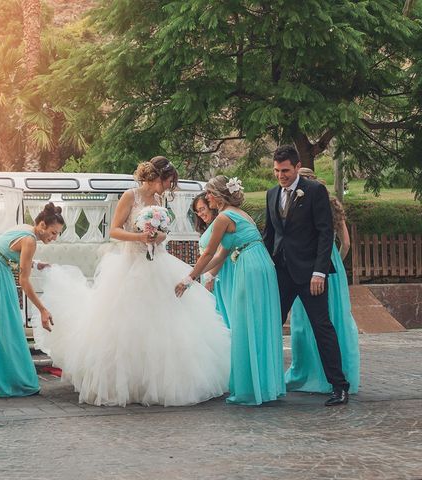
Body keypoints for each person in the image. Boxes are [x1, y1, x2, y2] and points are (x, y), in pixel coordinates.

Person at [33, 156, 231, 407]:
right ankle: (128, 384)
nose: (169, 187)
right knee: (126, 326)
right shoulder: (131, 196)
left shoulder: (160, 200)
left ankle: (159, 383)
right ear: (157, 177)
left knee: (166, 324)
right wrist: (139, 237)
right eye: (168, 181)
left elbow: (164, 233)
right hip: (130, 265)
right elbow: (114, 230)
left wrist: (158, 236)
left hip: (159, 264)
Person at [176, 176, 285, 406]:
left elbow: (208, 254)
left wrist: (188, 279)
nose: (206, 198)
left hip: (250, 266)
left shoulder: (224, 217)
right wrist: (196, 277)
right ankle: (263, 386)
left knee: (246, 323)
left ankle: (251, 390)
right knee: (257, 322)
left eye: (207, 195)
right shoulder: (237, 213)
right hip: (260, 263)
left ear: (216, 196)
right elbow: (221, 255)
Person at [263, 145, 350, 407]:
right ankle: (266, 383)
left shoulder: (314, 191)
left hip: (311, 274)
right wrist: (265, 268)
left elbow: (326, 233)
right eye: (277, 171)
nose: (281, 175)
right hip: (282, 273)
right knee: (270, 325)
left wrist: (319, 271)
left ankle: (339, 386)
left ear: (297, 166)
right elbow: (270, 235)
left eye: (286, 170)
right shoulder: (271, 194)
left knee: (322, 327)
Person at [0, 203, 64, 401]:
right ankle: (12, 380)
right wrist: (43, 310)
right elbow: (24, 281)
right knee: (6, 326)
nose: (54, 238)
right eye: (53, 233)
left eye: (57, 234)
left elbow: (6, 249)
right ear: (42, 225)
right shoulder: (30, 240)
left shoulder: (25, 228)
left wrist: (36, 263)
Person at [285, 168, 360, 394]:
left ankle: (312, 373)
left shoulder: (305, 202)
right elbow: (345, 244)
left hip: (314, 267)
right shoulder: (333, 204)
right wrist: (334, 261)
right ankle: (335, 376)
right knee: (332, 319)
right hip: (329, 264)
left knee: (308, 324)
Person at [193, 194, 229, 326]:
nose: (200, 214)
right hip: (208, 273)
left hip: (218, 274)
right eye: (198, 211)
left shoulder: (220, 223)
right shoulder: (209, 226)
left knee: (220, 310)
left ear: (211, 206)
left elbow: (221, 251)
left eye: (202, 209)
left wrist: (211, 276)